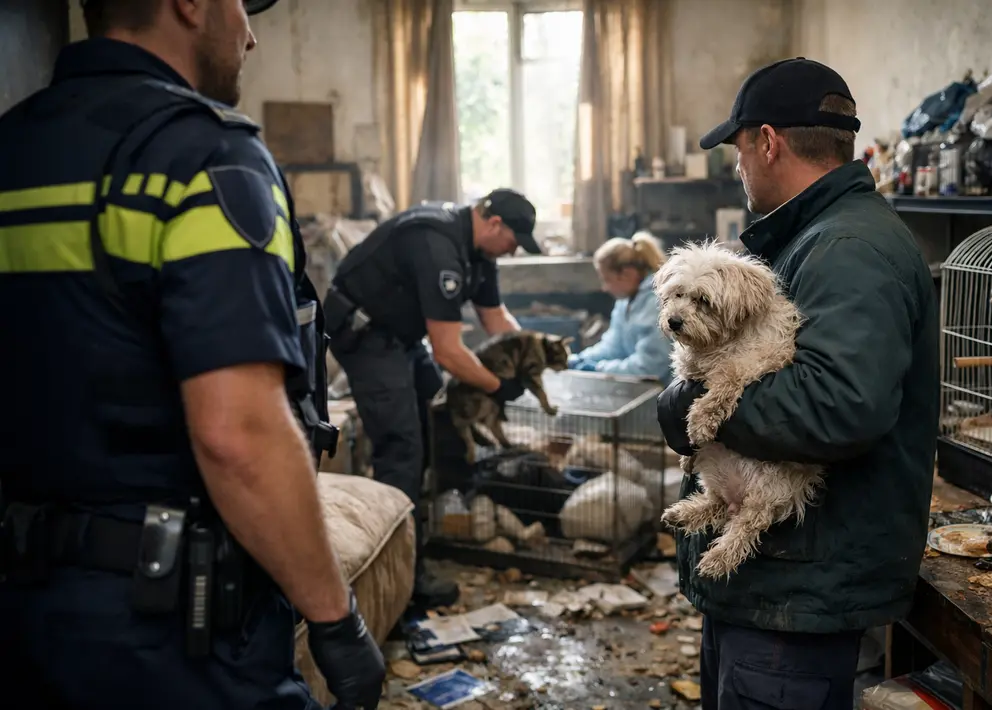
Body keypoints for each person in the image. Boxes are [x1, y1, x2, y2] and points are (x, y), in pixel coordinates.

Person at [0, 1, 385, 709]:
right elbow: (238, 434)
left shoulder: (14, 144)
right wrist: (336, 619)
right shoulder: (201, 155)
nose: (250, 33)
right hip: (172, 631)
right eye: (238, 4)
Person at [657, 58, 939, 710]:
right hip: (774, 580)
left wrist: (689, 403)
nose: (738, 167)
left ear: (767, 142)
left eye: (737, 150)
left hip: (796, 587)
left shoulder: (848, 250)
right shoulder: (814, 236)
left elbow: (836, 405)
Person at [323, 189, 539, 609]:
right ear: (494, 224)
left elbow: (496, 320)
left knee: (440, 414)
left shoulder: (481, 253)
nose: (513, 251)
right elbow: (448, 352)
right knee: (402, 447)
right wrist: (498, 387)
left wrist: (532, 357)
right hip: (366, 335)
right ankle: (402, 580)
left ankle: (429, 529)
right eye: (513, 242)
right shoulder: (436, 243)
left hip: (404, 335)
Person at [568, 231, 673, 383]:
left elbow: (650, 366)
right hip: (642, 386)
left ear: (626, 274)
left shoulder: (656, 303)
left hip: (664, 390)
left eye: (607, 280)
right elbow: (613, 346)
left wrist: (599, 369)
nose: (604, 288)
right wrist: (580, 359)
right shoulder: (625, 302)